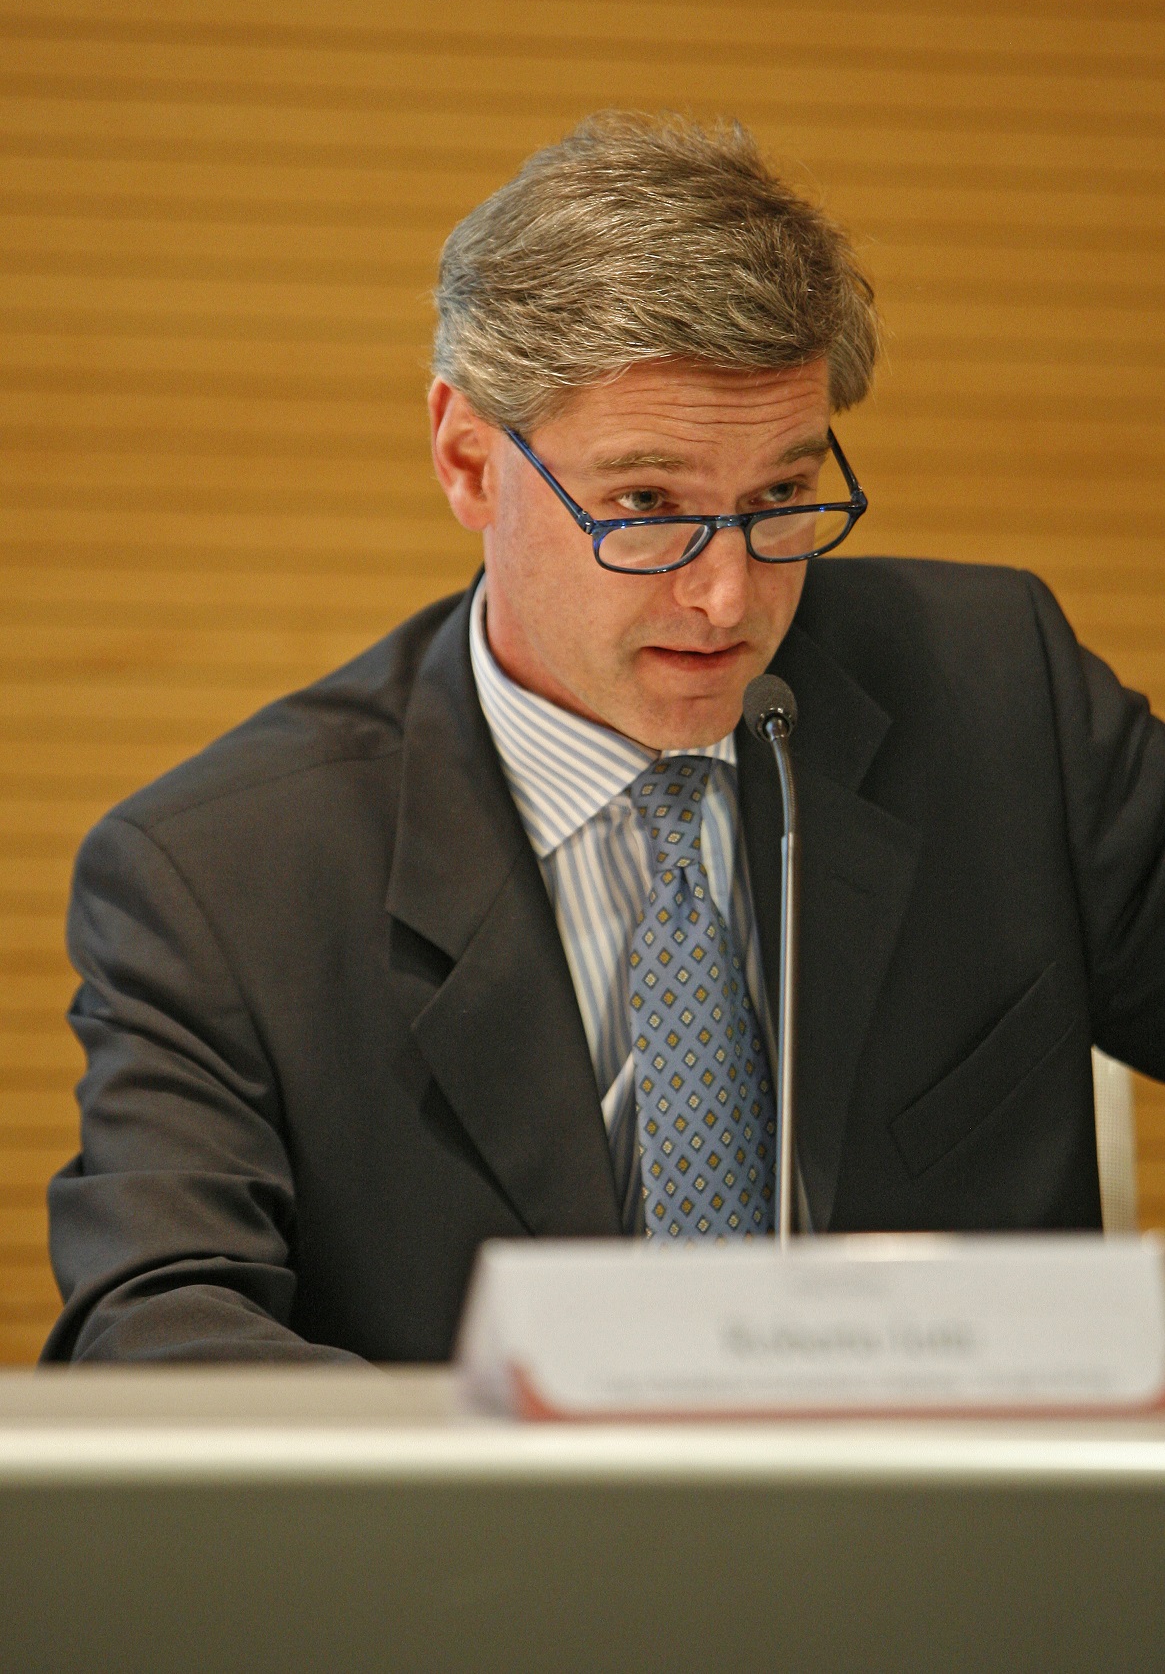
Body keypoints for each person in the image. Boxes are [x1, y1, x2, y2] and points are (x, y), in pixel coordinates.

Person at [44, 114, 1165, 1364]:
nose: (729, 598)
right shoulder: (220, 879)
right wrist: (510, 1468)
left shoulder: (999, 695)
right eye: (646, 503)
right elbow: (156, 1326)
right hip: (479, 1496)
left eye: (781, 497)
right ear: (469, 460)